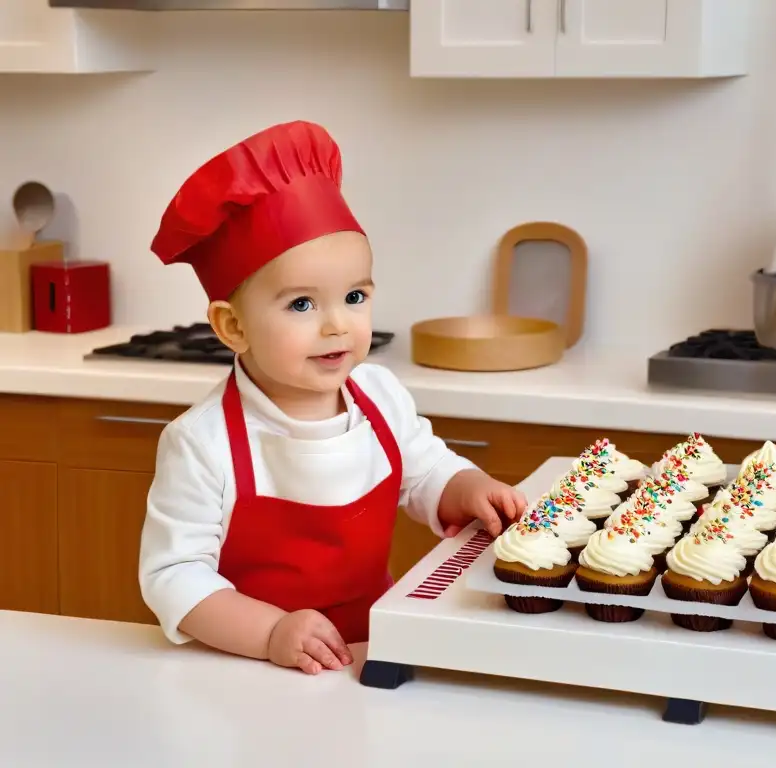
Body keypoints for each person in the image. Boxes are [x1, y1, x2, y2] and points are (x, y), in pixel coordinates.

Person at [139, 120, 527, 676]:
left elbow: (424, 474)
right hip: (251, 669)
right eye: (301, 304)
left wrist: (468, 489)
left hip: (370, 653)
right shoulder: (202, 443)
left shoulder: (378, 394)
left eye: (354, 296)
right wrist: (271, 632)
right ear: (232, 326)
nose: (337, 326)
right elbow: (174, 576)